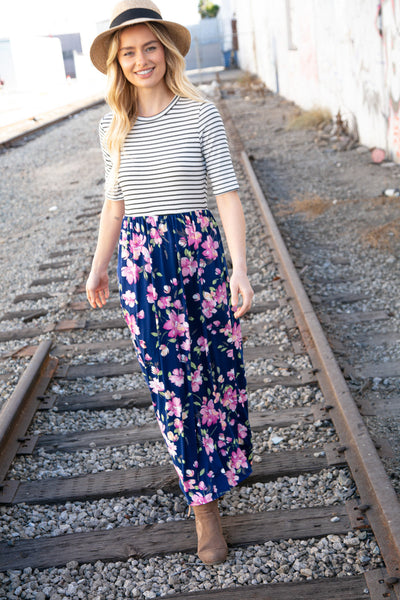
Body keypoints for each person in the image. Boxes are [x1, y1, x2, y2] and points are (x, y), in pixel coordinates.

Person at [87, 0, 254, 565]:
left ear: (167, 49)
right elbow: (114, 205)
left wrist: (240, 268)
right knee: (171, 385)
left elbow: (227, 194)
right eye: (128, 52)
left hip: (201, 258)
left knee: (216, 371)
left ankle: (222, 467)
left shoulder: (200, 114)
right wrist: (98, 265)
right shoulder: (112, 125)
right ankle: (203, 505)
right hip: (142, 267)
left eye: (149, 48)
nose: (140, 60)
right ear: (118, 62)